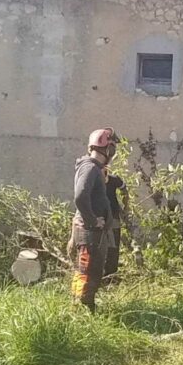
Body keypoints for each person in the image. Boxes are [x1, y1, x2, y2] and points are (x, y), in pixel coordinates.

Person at [71, 127, 118, 313]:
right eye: (112, 149)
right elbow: (80, 196)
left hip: (92, 233)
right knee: (86, 272)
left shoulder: (94, 168)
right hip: (88, 233)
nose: (113, 154)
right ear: (106, 149)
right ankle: (83, 311)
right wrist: (92, 221)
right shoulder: (90, 168)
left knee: (89, 272)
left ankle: (82, 308)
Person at [102, 166, 129, 284]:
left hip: (113, 217)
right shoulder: (93, 180)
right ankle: (101, 275)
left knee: (114, 246)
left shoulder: (114, 180)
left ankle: (111, 275)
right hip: (99, 219)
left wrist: (126, 206)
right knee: (100, 246)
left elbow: (124, 189)